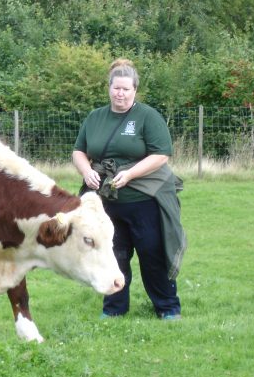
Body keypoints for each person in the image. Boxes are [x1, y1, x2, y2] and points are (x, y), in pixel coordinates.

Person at [72, 58, 186, 320]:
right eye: (116, 88)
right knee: (114, 255)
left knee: (152, 254)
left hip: (143, 199)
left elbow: (161, 155)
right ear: (109, 88)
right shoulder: (95, 117)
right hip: (107, 202)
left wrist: (131, 173)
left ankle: (168, 308)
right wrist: (87, 171)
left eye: (126, 89)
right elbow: (79, 151)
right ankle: (113, 309)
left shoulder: (147, 117)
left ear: (135, 90)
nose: (120, 93)